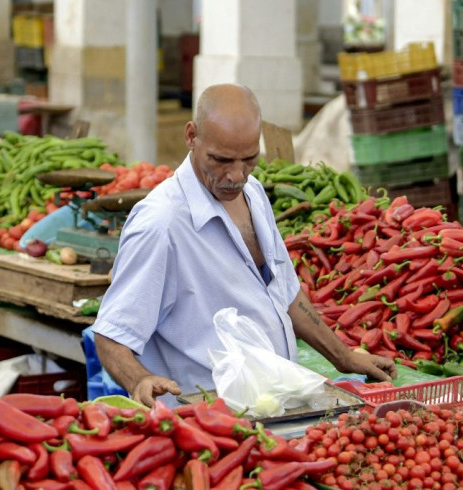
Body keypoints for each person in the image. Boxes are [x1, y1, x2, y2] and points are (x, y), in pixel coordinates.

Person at [91, 83, 396, 407]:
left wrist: (344, 357)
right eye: (221, 160)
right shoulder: (161, 224)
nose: (236, 175)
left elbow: (286, 295)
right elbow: (111, 334)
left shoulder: (254, 195)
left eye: (248, 159)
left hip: (271, 411)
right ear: (191, 136)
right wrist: (139, 380)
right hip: (207, 423)